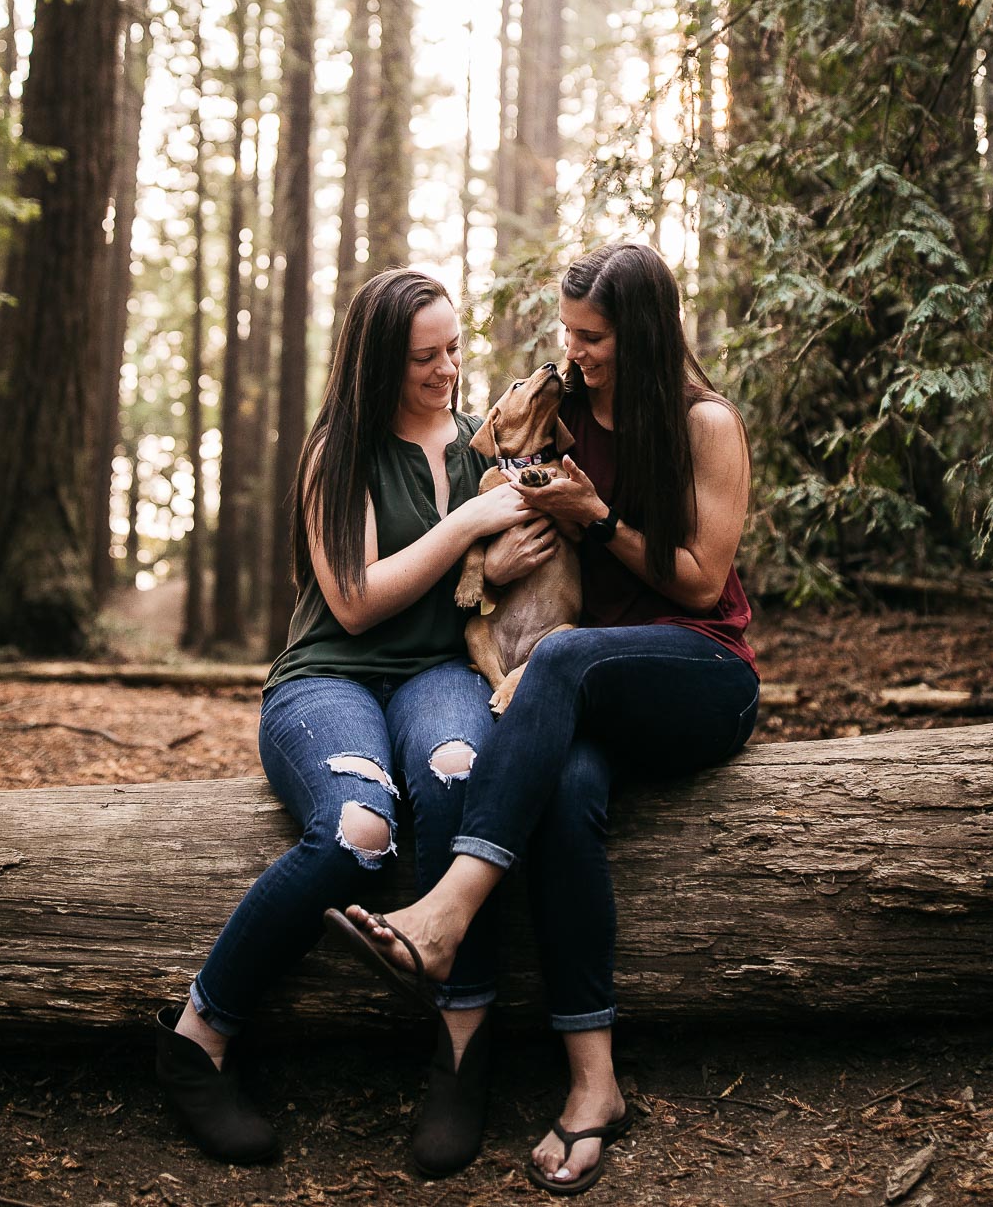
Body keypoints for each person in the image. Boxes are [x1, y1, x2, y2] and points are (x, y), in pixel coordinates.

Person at [332, 242, 760, 1195]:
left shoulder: (705, 423)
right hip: (587, 686)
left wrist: (598, 516)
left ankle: (447, 912)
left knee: (560, 658)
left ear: (641, 334)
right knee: (564, 791)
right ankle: (594, 1085)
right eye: (568, 333)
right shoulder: (565, 413)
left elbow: (700, 582)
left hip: (699, 671)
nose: (574, 352)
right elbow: (494, 476)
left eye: (593, 337)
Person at [155, 268, 542, 1172]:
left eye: (454, 349)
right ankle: (197, 1038)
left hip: (442, 672)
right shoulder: (339, 449)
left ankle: (463, 1049)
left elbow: (499, 577)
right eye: (424, 358)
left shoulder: (480, 443)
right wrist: (471, 526)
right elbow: (357, 600)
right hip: (329, 675)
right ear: (376, 363)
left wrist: (507, 556)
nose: (448, 370)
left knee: (458, 775)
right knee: (357, 829)